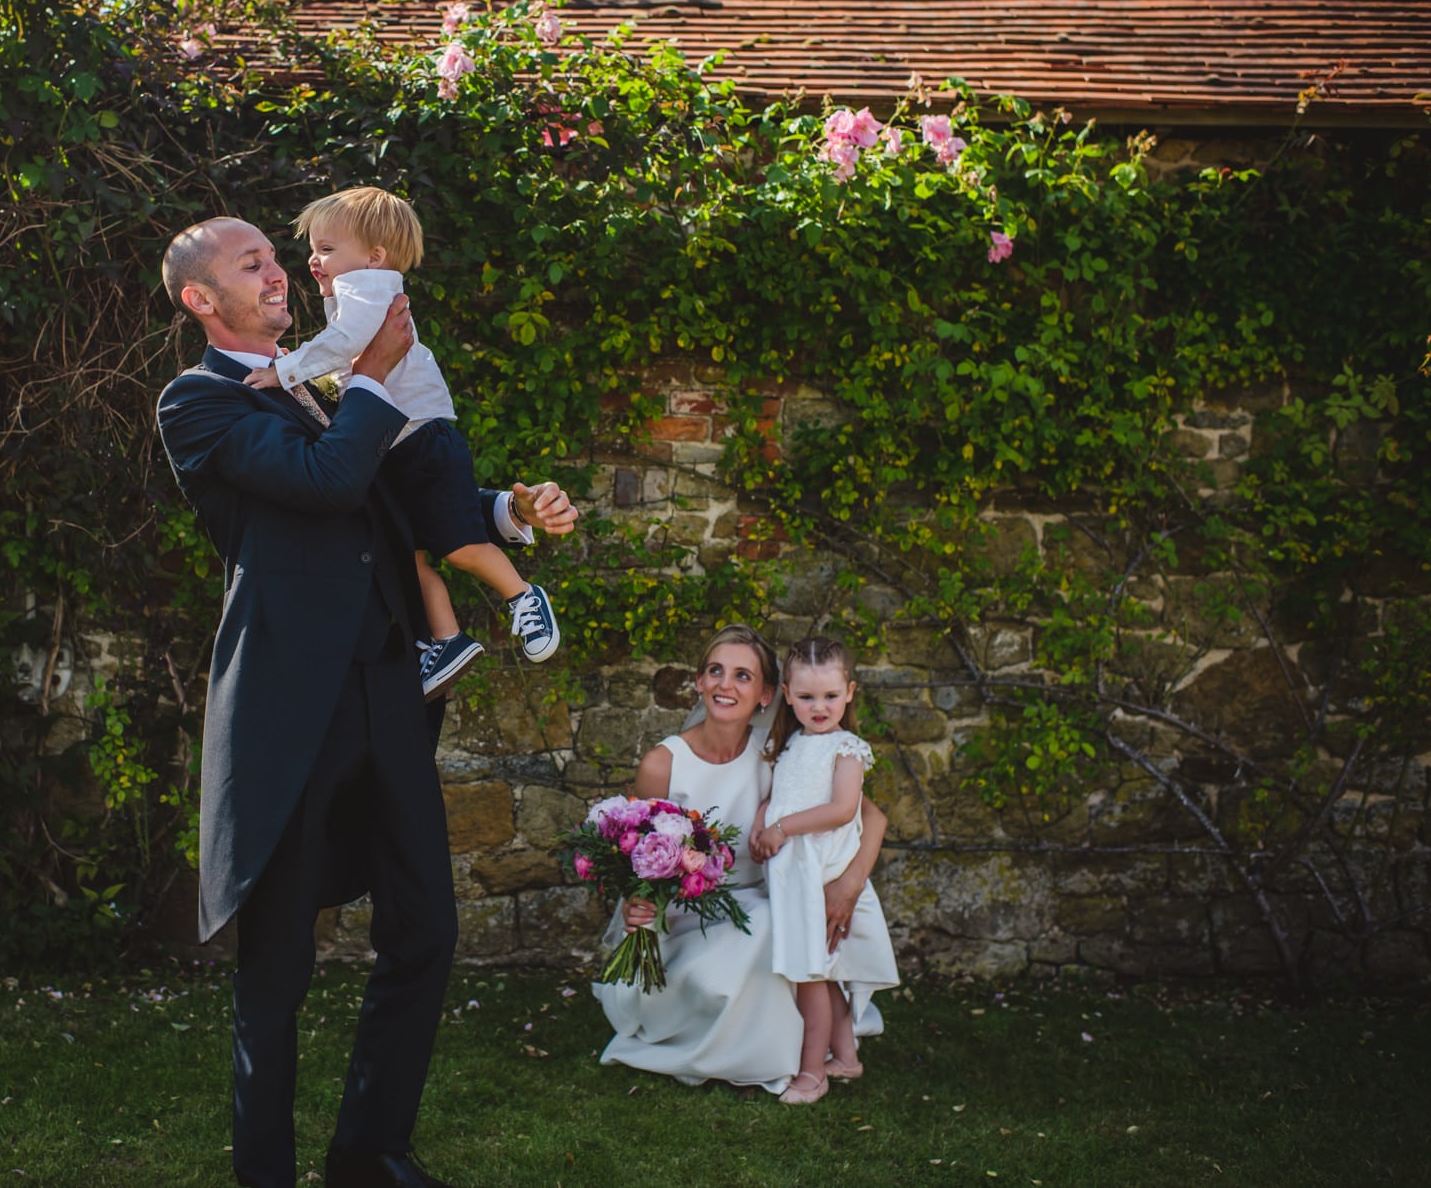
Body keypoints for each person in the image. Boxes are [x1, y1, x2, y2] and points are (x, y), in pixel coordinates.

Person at [154, 215, 578, 1188]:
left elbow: (400, 504)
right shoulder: (200, 406)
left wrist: (510, 513)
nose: (277, 274)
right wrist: (378, 375)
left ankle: (368, 1154)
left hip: (389, 696)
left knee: (425, 931)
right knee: (275, 979)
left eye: (274, 257)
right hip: (289, 718)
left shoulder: (321, 387)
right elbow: (328, 477)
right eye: (250, 264)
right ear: (199, 299)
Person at [237, 186, 558, 698]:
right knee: (407, 553)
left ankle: (523, 596)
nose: (312, 260)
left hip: (422, 439)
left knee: (457, 547)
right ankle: (446, 640)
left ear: (375, 256)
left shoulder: (368, 289)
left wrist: (288, 370)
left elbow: (346, 345)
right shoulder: (355, 291)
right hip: (398, 446)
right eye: (315, 250)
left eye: (325, 249)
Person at [597, 625, 889, 1094]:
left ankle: (786, 1051)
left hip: (762, 900)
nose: (725, 685)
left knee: (778, 921)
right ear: (699, 681)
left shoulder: (777, 753)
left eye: (742, 676)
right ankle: (757, 1047)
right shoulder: (662, 764)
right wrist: (637, 903)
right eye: (715, 671)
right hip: (686, 916)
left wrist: (850, 883)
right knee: (777, 924)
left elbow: (871, 817)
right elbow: (638, 852)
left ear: (767, 695)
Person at [748, 635, 901, 1105]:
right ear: (788, 696)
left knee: (808, 979)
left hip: (816, 876)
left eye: (831, 696)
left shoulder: (848, 749)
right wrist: (762, 821)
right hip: (794, 875)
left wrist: (783, 828)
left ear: (850, 693)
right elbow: (780, 796)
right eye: (808, 697)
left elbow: (840, 809)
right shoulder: (792, 746)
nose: (820, 707)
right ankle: (847, 1057)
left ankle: (812, 1073)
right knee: (821, 976)